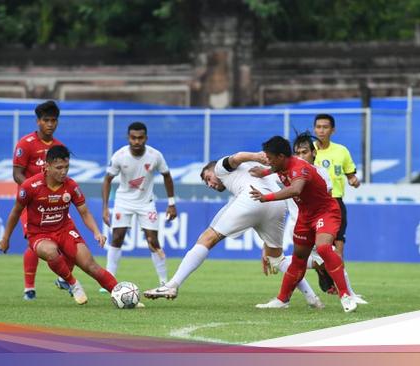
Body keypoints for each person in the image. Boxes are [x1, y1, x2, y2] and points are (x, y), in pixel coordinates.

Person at [143, 151, 324, 309]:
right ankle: (313, 293)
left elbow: (237, 157)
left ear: (213, 170)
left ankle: (172, 284)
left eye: (208, 178)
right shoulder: (258, 166)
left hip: (252, 199)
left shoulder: (221, 168)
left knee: (207, 238)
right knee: (277, 259)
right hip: (276, 204)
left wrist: (254, 156)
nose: (210, 184)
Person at [0, 145, 118, 305]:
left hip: (65, 230)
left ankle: (121, 294)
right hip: (39, 234)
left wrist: (96, 232)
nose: (63, 172)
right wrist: (6, 238)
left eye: (66, 167)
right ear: (46, 166)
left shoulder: (72, 186)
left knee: (90, 265)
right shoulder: (30, 187)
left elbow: (84, 212)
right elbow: (15, 212)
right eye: (59, 167)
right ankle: (73, 283)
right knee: (50, 252)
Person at [249, 136, 357, 312]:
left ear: (281, 156)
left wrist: (265, 198)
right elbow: (278, 170)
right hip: (305, 216)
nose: (267, 161)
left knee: (323, 248)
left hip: (326, 212)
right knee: (299, 258)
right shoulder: (282, 165)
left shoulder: (300, 168)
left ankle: (346, 295)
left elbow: (295, 189)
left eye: (270, 158)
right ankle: (282, 299)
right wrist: (264, 172)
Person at [101, 122, 177, 288]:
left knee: (152, 241)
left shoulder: (155, 155)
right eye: (133, 138)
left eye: (140, 138)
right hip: (123, 202)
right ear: (128, 138)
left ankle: (164, 282)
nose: (136, 141)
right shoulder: (119, 156)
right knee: (117, 237)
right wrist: (105, 207)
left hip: (146, 203)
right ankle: (109, 279)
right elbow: (107, 180)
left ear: (146, 138)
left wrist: (171, 203)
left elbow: (167, 176)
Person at [13, 100, 70, 301]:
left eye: (54, 120)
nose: (50, 124)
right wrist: (34, 191)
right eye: (46, 120)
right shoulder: (25, 144)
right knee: (34, 244)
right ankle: (29, 288)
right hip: (31, 204)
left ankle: (65, 279)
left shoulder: (60, 147)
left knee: (69, 241)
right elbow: (17, 174)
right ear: (38, 121)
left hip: (55, 202)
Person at [312, 114, 364, 302]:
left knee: (338, 248)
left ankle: (346, 291)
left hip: (335, 203)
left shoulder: (341, 151)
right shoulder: (308, 151)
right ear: (314, 129)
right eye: (318, 127)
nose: (321, 130)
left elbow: (350, 175)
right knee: (315, 251)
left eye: (325, 127)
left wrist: (353, 180)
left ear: (332, 130)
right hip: (313, 205)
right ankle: (323, 273)